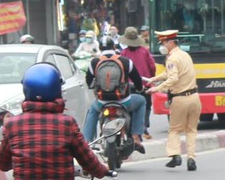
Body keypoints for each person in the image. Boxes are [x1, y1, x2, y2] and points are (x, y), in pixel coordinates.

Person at [0, 62, 109, 179]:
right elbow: (87, 160)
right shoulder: (67, 124)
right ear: (57, 88)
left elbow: (3, 164)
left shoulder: (12, 124)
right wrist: (103, 171)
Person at [146, 30, 202, 171]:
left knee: (175, 130)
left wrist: (156, 88)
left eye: (163, 43)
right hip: (195, 98)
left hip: (180, 99)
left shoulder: (171, 58)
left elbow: (173, 78)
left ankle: (175, 155)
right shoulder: (184, 55)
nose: (162, 46)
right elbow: (170, 73)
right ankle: (191, 158)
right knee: (191, 130)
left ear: (170, 43)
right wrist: (154, 78)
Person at [83, 36, 147, 154]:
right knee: (142, 100)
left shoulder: (94, 62)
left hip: (102, 102)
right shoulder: (126, 61)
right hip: (124, 101)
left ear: (100, 48)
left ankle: (86, 142)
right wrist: (139, 88)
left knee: (92, 110)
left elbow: (89, 82)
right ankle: (136, 136)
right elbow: (137, 80)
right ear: (114, 47)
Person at [120, 26, 156, 139]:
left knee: (131, 107)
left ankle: (133, 131)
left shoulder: (124, 53)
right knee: (146, 105)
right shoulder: (144, 51)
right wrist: (151, 78)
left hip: (129, 85)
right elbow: (152, 66)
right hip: (144, 84)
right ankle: (144, 125)